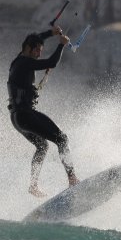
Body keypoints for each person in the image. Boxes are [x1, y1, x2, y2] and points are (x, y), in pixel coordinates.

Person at [7, 26, 80, 198]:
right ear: (28, 49)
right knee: (62, 139)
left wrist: (50, 33)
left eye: (41, 51)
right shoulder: (24, 62)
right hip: (25, 115)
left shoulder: (18, 60)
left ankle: (33, 186)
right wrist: (61, 44)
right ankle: (72, 179)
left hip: (17, 118)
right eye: (37, 51)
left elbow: (35, 37)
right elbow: (52, 62)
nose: (39, 54)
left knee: (42, 146)